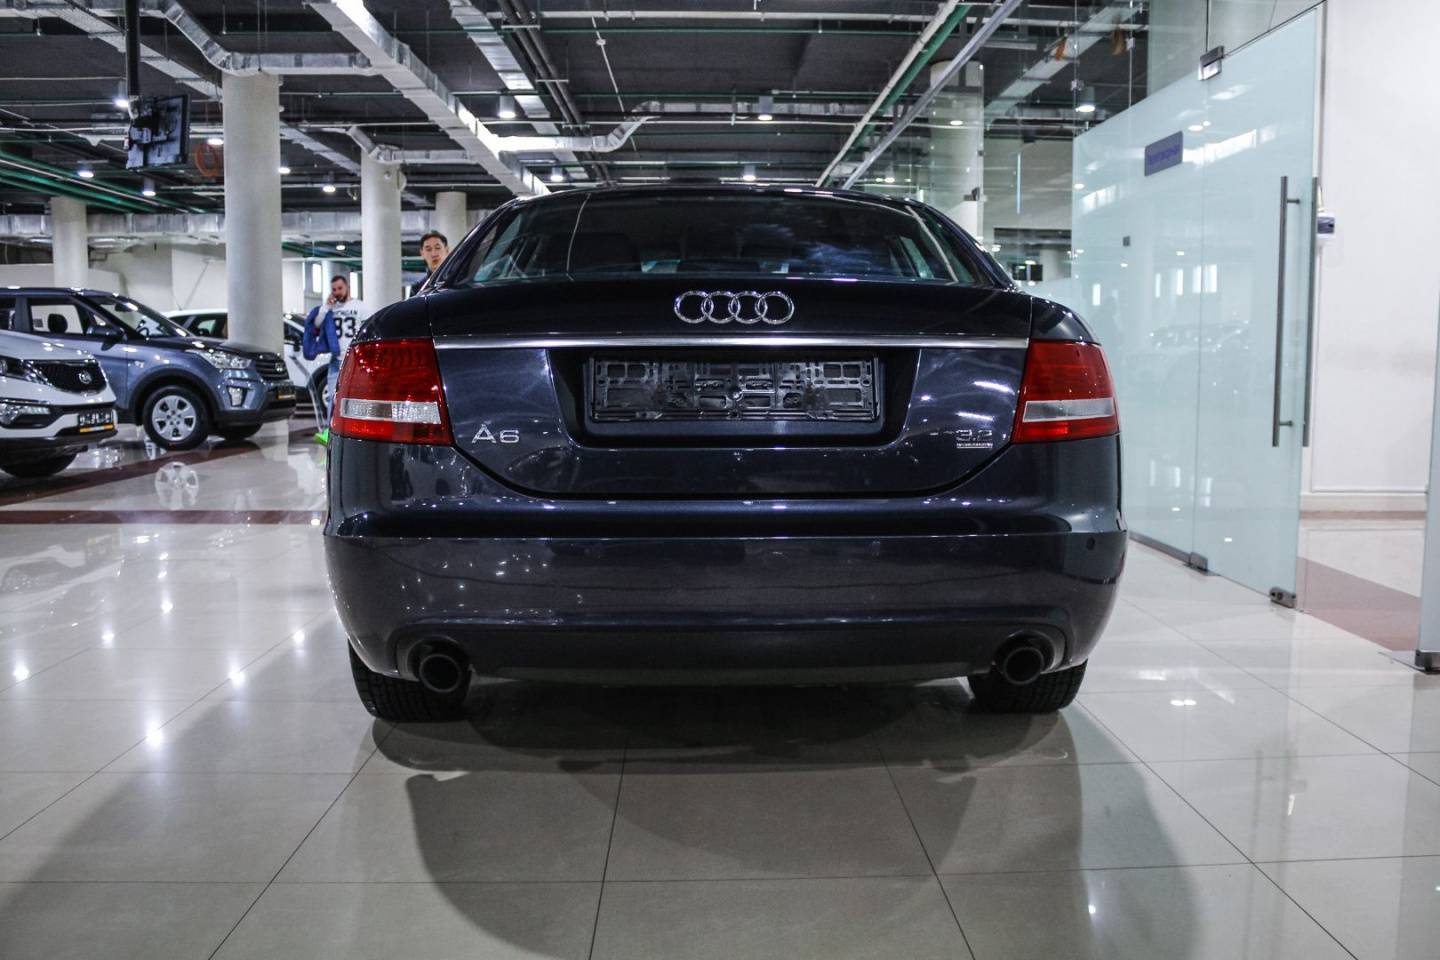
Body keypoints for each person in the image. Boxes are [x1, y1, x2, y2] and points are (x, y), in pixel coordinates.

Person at [302, 274, 370, 444]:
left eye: (340, 288)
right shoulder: (330, 309)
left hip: (355, 359)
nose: (337, 292)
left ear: (347, 288)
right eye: (334, 289)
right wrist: (326, 306)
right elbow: (315, 325)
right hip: (336, 359)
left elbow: (368, 330)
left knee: (359, 395)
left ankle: (358, 431)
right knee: (332, 397)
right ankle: (329, 431)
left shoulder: (360, 306)